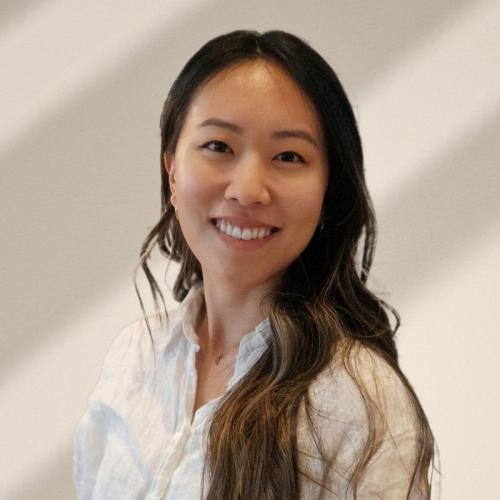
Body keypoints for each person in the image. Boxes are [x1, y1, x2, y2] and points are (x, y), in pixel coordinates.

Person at [73, 30, 437, 499]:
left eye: (288, 156)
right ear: (172, 169)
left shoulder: (357, 401)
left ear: (328, 190)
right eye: (218, 147)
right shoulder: (134, 358)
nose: (247, 190)